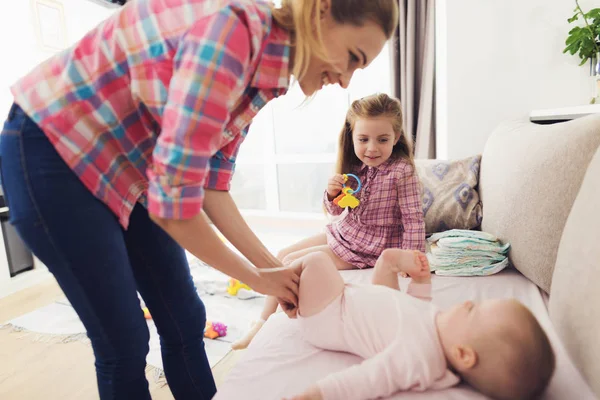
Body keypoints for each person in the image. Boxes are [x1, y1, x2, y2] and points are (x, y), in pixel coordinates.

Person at [0, 0, 398, 398]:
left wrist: (273, 270)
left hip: (127, 168)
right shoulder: (232, 34)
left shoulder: (267, 71)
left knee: (184, 317)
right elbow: (175, 208)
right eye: (352, 58)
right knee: (123, 340)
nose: (346, 80)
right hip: (52, 149)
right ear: (321, 11)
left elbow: (210, 185)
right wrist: (257, 278)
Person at [233, 93, 425, 350]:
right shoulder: (356, 166)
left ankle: (270, 323)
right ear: (352, 137)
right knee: (281, 255)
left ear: (396, 138)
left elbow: (413, 219)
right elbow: (335, 212)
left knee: (292, 264)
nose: (372, 148)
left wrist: (409, 259)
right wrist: (332, 194)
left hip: (368, 246)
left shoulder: (402, 171)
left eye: (382, 140)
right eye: (363, 139)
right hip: (346, 232)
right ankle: (260, 323)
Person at [284, 250, 556, 400]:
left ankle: (282, 281)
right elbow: (415, 310)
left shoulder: (418, 358)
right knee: (387, 261)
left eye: (473, 310)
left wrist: (312, 396)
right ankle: (291, 281)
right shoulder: (439, 330)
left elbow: (366, 380)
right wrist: (421, 282)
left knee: (318, 261)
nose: (466, 303)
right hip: (371, 305)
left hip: (332, 314)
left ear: (463, 354)